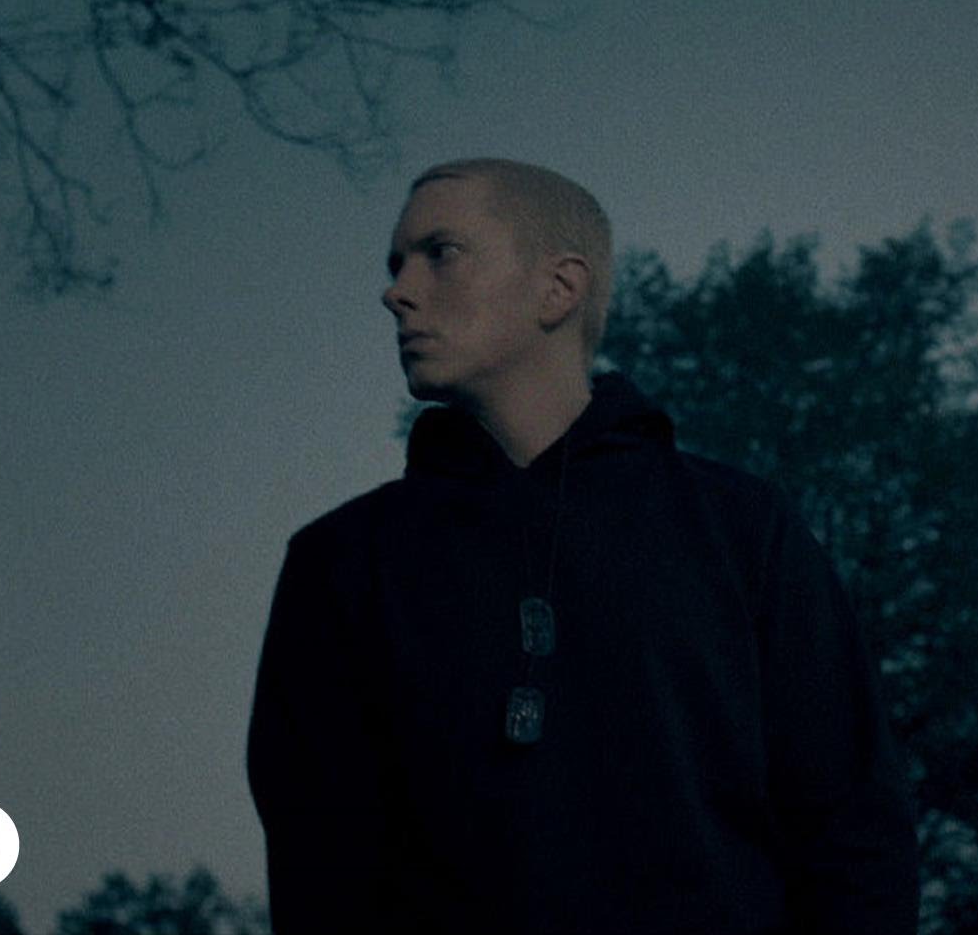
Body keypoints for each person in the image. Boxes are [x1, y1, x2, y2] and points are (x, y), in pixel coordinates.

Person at [247, 158, 919, 935]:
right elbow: (319, 872)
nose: (397, 291)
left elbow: (854, 835)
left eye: (441, 253)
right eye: (396, 264)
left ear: (559, 289)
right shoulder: (341, 561)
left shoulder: (742, 529)